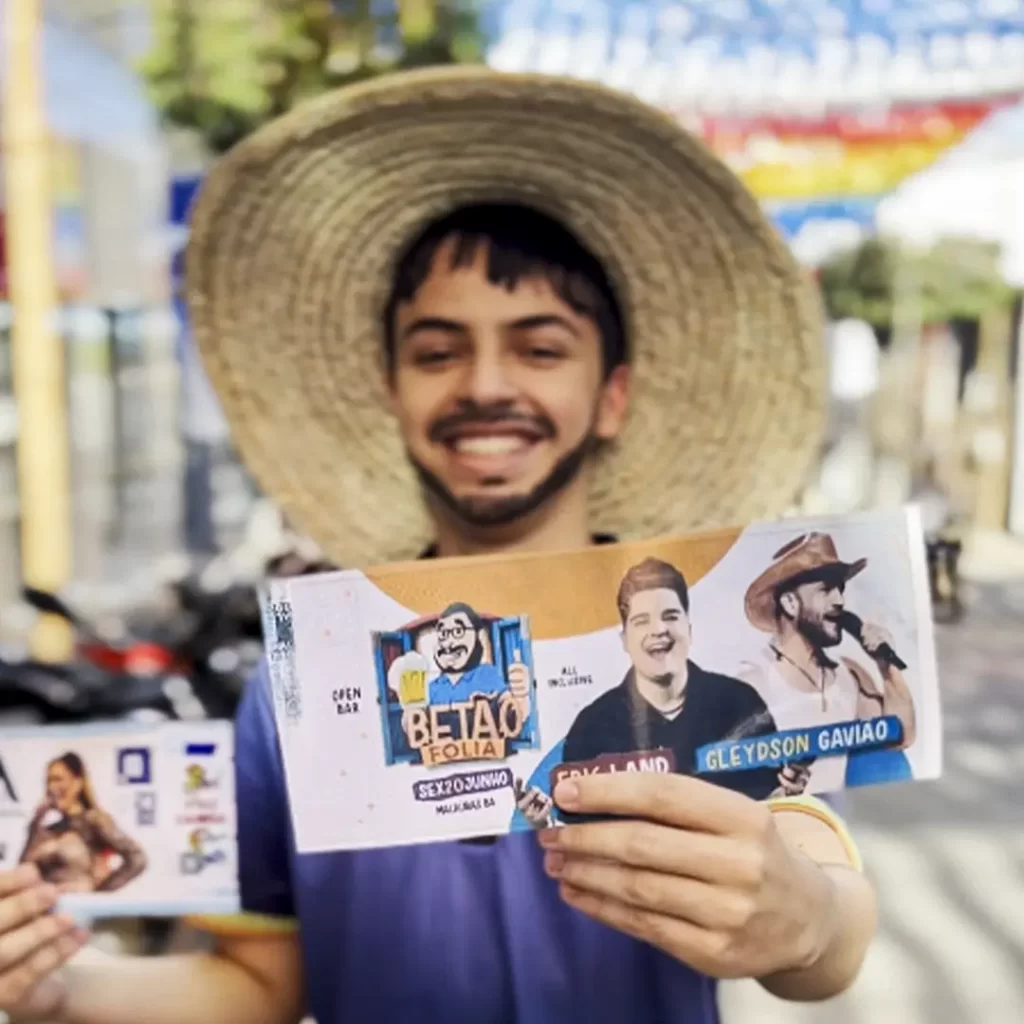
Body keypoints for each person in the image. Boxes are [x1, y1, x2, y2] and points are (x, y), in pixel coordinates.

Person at [0, 68, 876, 1023]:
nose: (485, 386)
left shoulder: (706, 639)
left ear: (613, 394)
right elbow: (257, 980)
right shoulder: (303, 682)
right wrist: (51, 989)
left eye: (540, 348)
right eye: (437, 350)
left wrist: (808, 920)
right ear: (391, 389)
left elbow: (823, 912)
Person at [561, 558, 807, 803]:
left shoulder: (741, 704)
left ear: (689, 629)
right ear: (625, 639)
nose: (659, 630)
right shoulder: (591, 728)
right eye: (642, 621)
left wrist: (788, 792)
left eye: (670, 616)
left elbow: (769, 803)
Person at [740, 532, 918, 791]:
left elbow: (901, 736)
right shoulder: (753, 685)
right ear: (790, 602)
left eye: (840, 589)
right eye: (826, 590)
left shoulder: (850, 675)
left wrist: (886, 666)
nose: (840, 601)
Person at [19, 753, 147, 895]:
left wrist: (99, 894)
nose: (52, 787)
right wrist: (36, 823)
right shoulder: (49, 829)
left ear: (77, 783)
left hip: (81, 910)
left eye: (58, 779)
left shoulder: (94, 820)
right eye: (48, 781)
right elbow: (23, 873)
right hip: (50, 909)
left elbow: (137, 858)